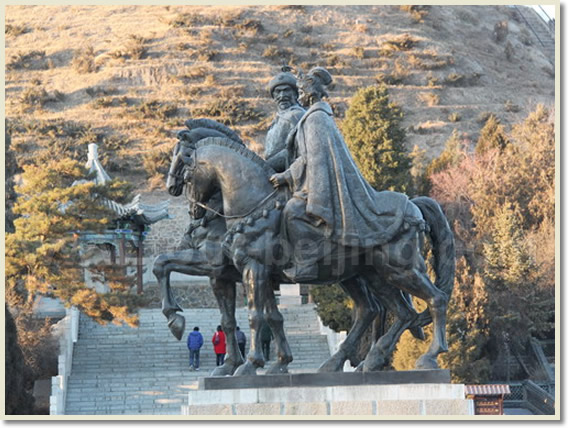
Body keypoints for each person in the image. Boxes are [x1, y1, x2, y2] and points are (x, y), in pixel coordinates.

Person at [269, 66, 408, 282]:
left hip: (314, 182)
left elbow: (310, 157)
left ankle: (306, 263)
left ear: (309, 93)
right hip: (308, 178)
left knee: (292, 212)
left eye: (300, 92)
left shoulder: (314, 118)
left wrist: (285, 176)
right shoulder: (313, 116)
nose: (299, 97)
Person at [264, 66, 306, 172]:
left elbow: (299, 151)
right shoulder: (276, 121)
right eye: (278, 92)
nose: (282, 95)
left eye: (286, 91)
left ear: (296, 94)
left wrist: (266, 166)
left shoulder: (297, 115)